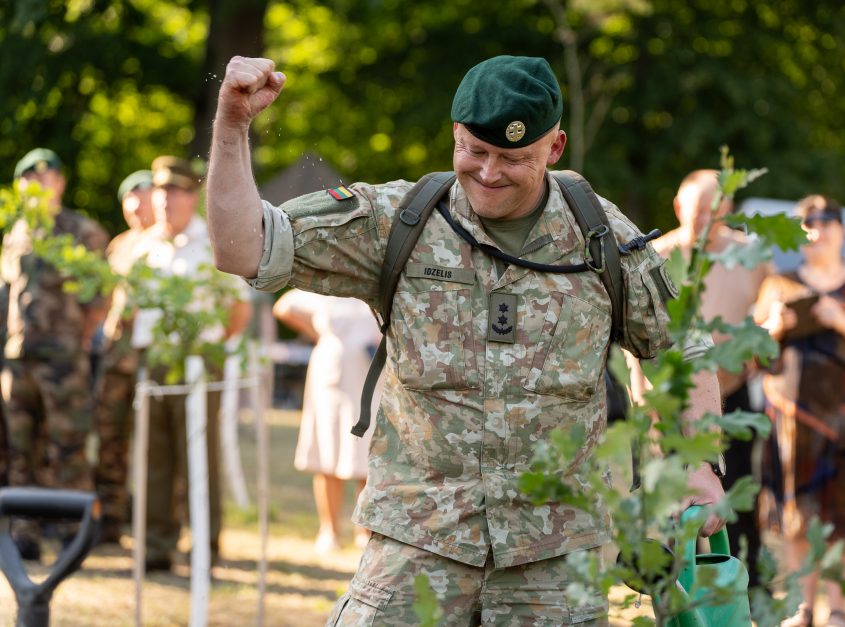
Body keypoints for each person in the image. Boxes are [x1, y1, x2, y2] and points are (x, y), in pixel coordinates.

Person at [206, 55, 725, 624]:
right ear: (455, 134)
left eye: (514, 158)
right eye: (474, 151)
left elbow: (680, 348)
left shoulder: (602, 238)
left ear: (554, 149)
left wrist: (699, 466)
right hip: (416, 545)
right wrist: (232, 124)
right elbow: (242, 247)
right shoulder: (396, 222)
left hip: (551, 560)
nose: (489, 172)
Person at [753, 195, 845, 627]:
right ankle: (803, 606)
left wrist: (839, 318)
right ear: (800, 232)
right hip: (793, 423)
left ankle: (836, 609)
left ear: (842, 231)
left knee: (843, 520)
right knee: (796, 517)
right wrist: (772, 329)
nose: (820, 229)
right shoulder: (779, 285)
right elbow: (754, 355)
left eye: (829, 221)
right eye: (810, 222)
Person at [640, 169, 774, 582]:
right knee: (670, 500)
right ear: (679, 208)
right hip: (668, 401)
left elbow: (772, 304)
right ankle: (674, 588)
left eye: (714, 212)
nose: (704, 220)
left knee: (738, 497)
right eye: (697, 211)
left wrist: (761, 333)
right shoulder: (653, 257)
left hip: (731, 397)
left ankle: (746, 586)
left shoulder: (752, 256)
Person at [132, 156, 251, 572]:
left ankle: (206, 546)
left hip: (199, 361)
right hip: (153, 361)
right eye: (162, 191)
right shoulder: (144, 246)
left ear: (192, 197)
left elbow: (239, 309)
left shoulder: (213, 244)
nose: (167, 200)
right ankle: (155, 546)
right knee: (154, 458)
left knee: (199, 458)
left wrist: (211, 350)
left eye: (177, 192)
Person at [0, 148, 110, 559]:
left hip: (63, 360)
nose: (37, 184)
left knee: (69, 447)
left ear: (60, 183)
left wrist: (78, 339)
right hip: (18, 358)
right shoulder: (15, 234)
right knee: (20, 450)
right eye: (28, 178)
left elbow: (100, 297)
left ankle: (72, 531)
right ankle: (25, 532)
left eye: (45, 176)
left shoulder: (82, 231)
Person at [273, 290, 382, 552]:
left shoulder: (373, 285)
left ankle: (365, 530)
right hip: (331, 380)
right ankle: (329, 529)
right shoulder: (324, 287)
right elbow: (284, 307)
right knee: (327, 452)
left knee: (369, 456)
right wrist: (318, 334)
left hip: (373, 379)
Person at [94, 169, 155, 544]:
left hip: (152, 358)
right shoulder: (118, 245)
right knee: (110, 440)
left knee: (157, 445)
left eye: (142, 197)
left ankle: (160, 522)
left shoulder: (168, 242)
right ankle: (110, 519)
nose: (135, 206)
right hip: (117, 359)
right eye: (128, 201)